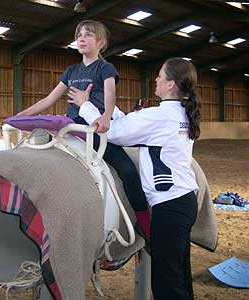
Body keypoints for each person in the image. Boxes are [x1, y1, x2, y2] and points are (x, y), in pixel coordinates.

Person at [69, 57, 201, 300]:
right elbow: (130, 124)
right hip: (183, 202)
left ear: (171, 84)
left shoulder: (160, 116)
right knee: (179, 274)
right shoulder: (179, 112)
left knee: (166, 284)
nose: (157, 79)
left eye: (160, 75)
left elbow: (117, 133)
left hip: (170, 207)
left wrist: (85, 106)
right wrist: (107, 109)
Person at [17, 20, 151, 245]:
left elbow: (110, 94)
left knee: (127, 169)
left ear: (101, 42)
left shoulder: (105, 68)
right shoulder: (71, 71)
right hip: (71, 128)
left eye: (88, 35)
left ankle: (145, 223)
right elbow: (49, 99)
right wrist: (21, 115)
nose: (81, 38)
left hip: (94, 128)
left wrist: (106, 117)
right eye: (79, 34)